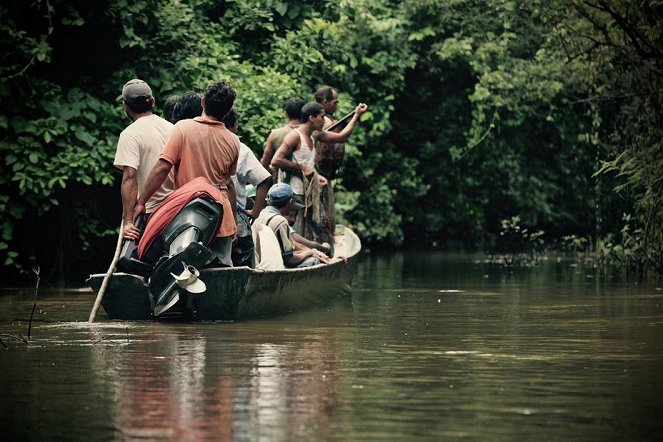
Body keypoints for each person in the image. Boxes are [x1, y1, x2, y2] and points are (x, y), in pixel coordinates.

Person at [134, 81, 240, 267]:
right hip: (222, 216)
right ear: (228, 110)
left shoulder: (183, 128)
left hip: (189, 213)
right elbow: (228, 183)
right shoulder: (233, 141)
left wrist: (141, 202)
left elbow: (162, 168)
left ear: (202, 102)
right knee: (222, 268)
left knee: (183, 267)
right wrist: (235, 224)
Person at [270, 101, 368, 244]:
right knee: (294, 230)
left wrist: (356, 115)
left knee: (322, 226)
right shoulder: (295, 136)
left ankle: (325, 253)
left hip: (310, 192)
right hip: (294, 192)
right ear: (311, 118)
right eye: (322, 117)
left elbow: (341, 137)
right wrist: (302, 168)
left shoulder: (314, 135)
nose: (324, 120)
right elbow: (276, 161)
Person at [114, 79, 175, 241]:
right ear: (153, 101)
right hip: (178, 206)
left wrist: (127, 221)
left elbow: (129, 178)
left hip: (151, 211)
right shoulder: (173, 128)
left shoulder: (130, 134)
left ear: (125, 106)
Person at [223, 109, 272, 267]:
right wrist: (255, 211)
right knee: (244, 262)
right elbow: (264, 178)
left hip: (205, 210)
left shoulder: (202, 142)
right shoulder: (239, 147)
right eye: (236, 125)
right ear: (232, 126)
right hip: (236, 214)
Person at [255, 183, 331, 268]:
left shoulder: (259, 215)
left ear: (269, 201)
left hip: (258, 261)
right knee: (314, 260)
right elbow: (290, 260)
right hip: (272, 266)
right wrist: (311, 252)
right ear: (291, 202)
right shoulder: (280, 221)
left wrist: (309, 252)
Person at [260, 97, 304, 179]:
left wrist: (272, 171)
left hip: (283, 183)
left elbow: (264, 163)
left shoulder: (276, 134)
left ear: (285, 114)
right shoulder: (312, 133)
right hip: (309, 181)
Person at [314, 85, 343, 180]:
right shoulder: (324, 122)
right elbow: (341, 137)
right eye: (335, 103)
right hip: (320, 174)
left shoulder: (314, 120)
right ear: (325, 102)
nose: (336, 106)